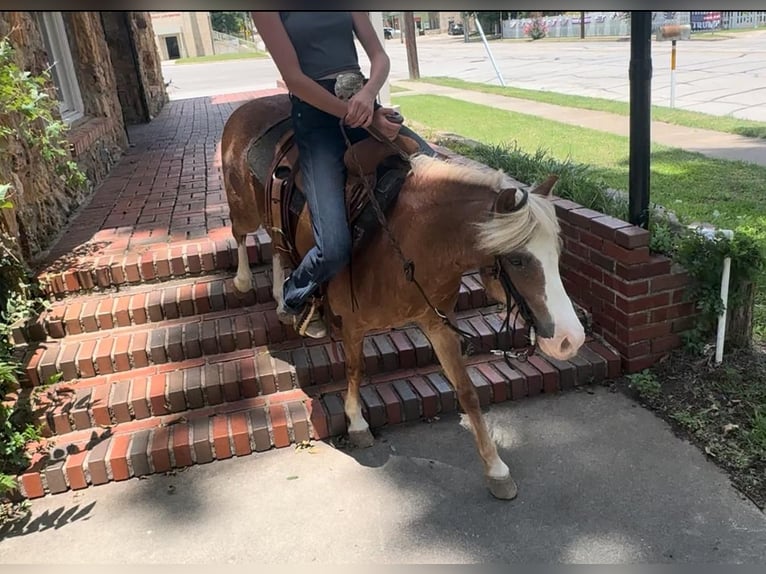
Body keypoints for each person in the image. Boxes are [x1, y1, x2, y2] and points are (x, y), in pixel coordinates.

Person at [251, 11, 403, 339]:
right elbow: (294, 79)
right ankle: (293, 294)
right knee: (333, 247)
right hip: (318, 119)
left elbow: (379, 55)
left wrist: (368, 96)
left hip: (364, 104)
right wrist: (359, 115)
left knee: (428, 170)